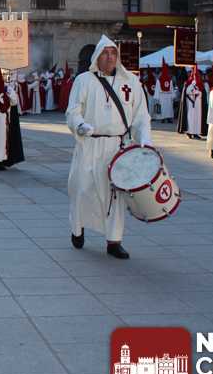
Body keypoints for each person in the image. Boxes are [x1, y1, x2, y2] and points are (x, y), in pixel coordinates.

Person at [65, 35, 151, 260]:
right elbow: (73, 111)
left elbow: (141, 116)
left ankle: (114, 241)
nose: (110, 57)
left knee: (115, 195)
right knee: (81, 189)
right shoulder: (84, 80)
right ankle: (77, 228)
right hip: (90, 143)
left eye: (113, 53)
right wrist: (80, 125)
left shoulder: (131, 82)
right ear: (97, 57)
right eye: (105, 53)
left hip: (117, 147)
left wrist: (145, 141)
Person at [176, 64, 207, 140]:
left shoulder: (200, 84)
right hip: (190, 104)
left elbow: (202, 93)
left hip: (198, 105)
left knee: (197, 120)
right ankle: (189, 132)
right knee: (190, 118)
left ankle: (196, 133)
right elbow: (187, 92)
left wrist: (198, 92)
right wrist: (193, 89)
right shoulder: (188, 83)